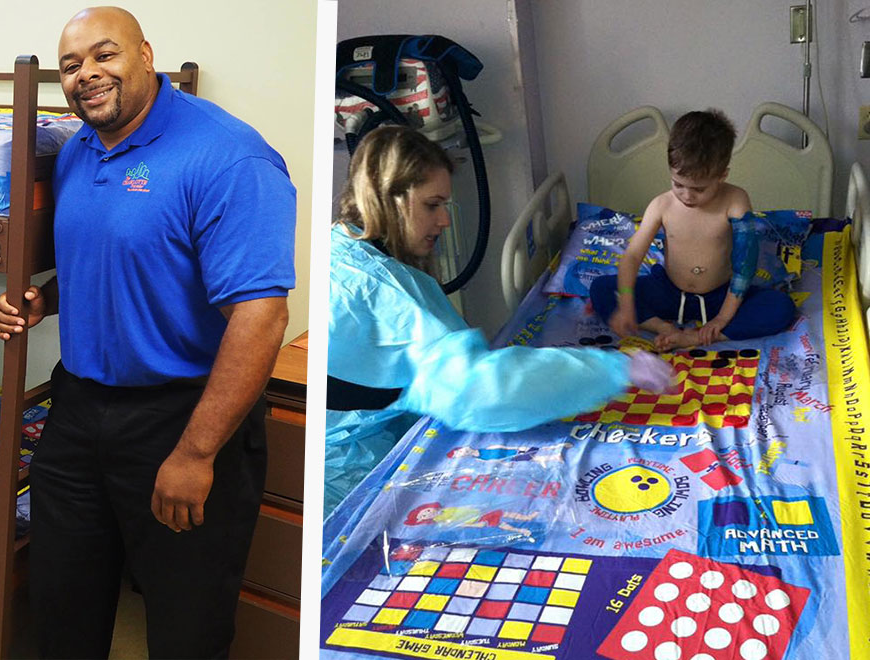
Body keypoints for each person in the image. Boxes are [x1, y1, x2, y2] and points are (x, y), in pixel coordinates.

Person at [0, 7, 295, 658]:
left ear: (146, 55)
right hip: (78, 410)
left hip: (183, 416)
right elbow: (116, 256)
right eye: (71, 65)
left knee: (188, 627)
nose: (87, 75)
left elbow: (261, 316)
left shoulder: (226, 155)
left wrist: (195, 454)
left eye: (105, 55)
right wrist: (40, 300)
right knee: (60, 609)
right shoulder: (77, 150)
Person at [325, 125, 673, 517]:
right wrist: (612, 368)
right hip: (348, 476)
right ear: (390, 197)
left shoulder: (340, 248)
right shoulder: (385, 292)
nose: (444, 221)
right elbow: (480, 385)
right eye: (432, 205)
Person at [589, 109, 797, 351]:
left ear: (722, 175)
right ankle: (662, 328)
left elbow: (745, 266)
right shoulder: (661, 205)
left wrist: (722, 319)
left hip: (720, 298)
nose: (686, 195)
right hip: (668, 291)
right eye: (678, 184)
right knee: (601, 288)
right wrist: (626, 304)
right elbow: (632, 257)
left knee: (780, 307)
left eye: (699, 189)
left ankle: (698, 337)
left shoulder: (735, 200)